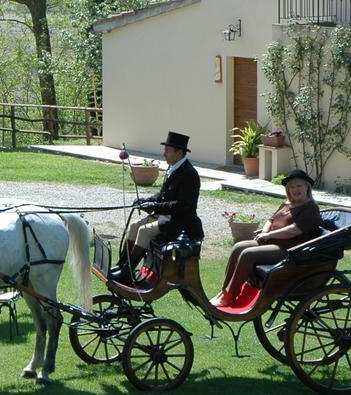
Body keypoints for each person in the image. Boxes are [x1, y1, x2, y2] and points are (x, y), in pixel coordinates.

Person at [212, 169, 322, 307]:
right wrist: (263, 233)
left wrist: (269, 235)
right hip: (271, 242)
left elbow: (295, 230)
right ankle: (225, 291)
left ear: (307, 186)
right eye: (292, 187)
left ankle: (229, 295)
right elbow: (271, 220)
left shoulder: (311, 209)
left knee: (247, 254)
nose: (295, 190)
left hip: (289, 249)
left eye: (299, 185)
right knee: (238, 247)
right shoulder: (287, 204)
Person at [110, 131, 203, 284]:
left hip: (181, 223)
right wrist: (145, 201)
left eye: (167, 150)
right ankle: (122, 266)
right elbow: (162, 195)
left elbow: (182, 206)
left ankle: (127, 273)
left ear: (179, 152)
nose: (164, 154)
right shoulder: (174, 169)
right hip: (167, 217)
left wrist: (155, 206)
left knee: (144, 231)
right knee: (134, 226)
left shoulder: (189, 174)